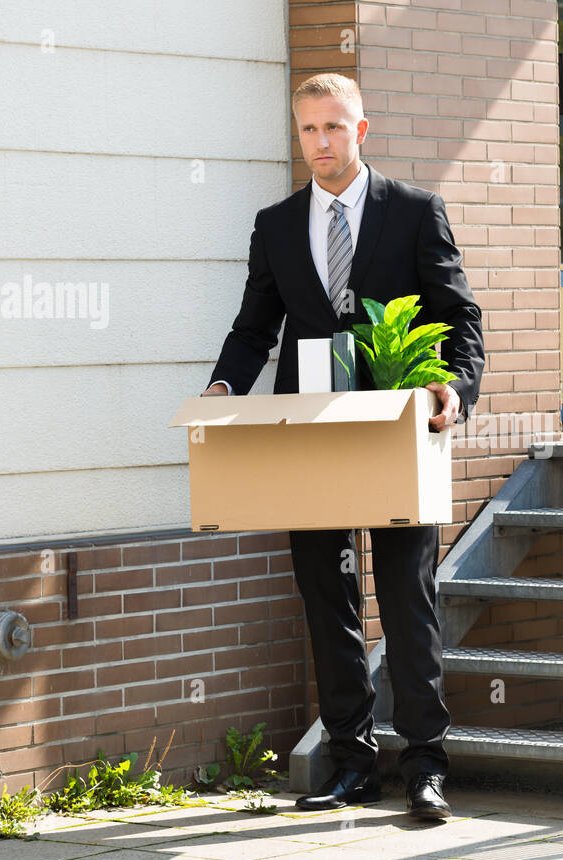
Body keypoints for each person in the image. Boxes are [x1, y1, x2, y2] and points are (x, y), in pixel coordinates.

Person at [199, 73, 484, 820]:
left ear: (361, 131)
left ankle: (425, 766)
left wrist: (453, 389)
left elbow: (459, 320)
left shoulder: (416, 213)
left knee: (405, 601)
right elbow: (254, 327)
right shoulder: (277, 224)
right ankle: (352, 761)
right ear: (298, 136)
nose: (320, 143)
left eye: (334, 127)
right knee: (329, 602)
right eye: (308, 131)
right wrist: (225, 389)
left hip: (398, 439)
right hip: (310, 442)